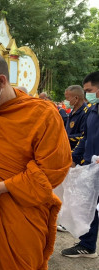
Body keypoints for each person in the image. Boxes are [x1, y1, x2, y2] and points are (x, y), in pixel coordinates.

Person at [0, 52, 71, 270]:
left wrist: (1, 187)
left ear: (1, 81)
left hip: (23, 216)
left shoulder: (43, 115)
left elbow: (52, 172)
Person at [63, 71, 99, 258]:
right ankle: (87, 244)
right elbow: (85, 136)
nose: (88, 95)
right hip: (90, 167)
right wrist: (75, 158)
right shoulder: (93, 110)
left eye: (90, 90)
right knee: (88, 205)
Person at [64, 85, 88, 151]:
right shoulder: (73, 112)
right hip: (68, 149)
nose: (65, 101)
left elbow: (83, 136)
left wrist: (65, 137)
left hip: (78, 153)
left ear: (76, 98)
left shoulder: (85, 113)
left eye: (67, 98)